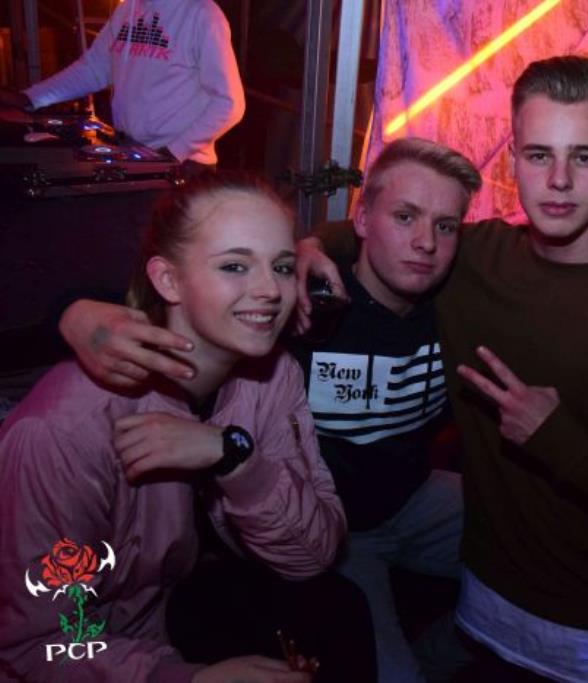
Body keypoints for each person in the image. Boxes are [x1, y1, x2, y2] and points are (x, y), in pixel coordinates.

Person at [305, 55, 588, 682]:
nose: (559, 180)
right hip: (485, 596)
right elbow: (384, 229)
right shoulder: (472, 259)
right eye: (539, 155)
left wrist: (555, 437)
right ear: (514, 161)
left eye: (583, 157)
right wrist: (307, 247)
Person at [57, 138, 482, 683]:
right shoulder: (306, 308)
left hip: (402, 500)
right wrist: (71, 312)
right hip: (333, 536)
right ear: (362, 220)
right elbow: (184, 304)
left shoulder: (458, 301)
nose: (425, 241)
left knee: (541, 550)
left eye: (445, 226)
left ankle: (455, 643)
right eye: (404, 216)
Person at [0, 173, 353, 682]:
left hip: (169, 621)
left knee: (337, 612)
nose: (269, 291)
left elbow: (312, 555)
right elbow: (36, 643)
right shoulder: (66, 429)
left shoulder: (272, 377)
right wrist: (184, 679)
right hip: (92, 657)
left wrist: (234, 456)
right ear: (168, 281)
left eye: (280, 267)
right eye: (234, 265)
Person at [0, 0, 244, 168]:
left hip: (183, 166)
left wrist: (174, 151)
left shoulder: (201, 13)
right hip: (134, 155)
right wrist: (31, 98)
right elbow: (94, 69)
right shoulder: (128, 9)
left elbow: (230, 103)